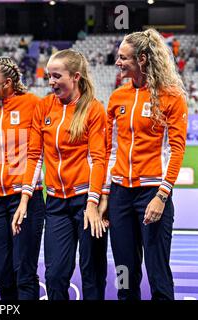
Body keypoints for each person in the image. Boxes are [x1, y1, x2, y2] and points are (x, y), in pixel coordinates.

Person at [12, 49, 108, 300]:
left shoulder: (94, 110)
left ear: (76, 77)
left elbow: (99, 160)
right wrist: (24, 201)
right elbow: (34, 157)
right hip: (55, 205)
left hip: (86, 202)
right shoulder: (43, 107)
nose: (51, 81)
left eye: (57, 76)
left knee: (92, 274)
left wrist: (93, 204)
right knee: (54, 275)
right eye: (48, 76)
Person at [100, 28, 188, 300]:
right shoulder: (117, 97)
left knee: (158, 271)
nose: (117, 62)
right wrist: (106, 193)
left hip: (153, 193)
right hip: (120, 195)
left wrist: (162, 195)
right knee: (125, 273)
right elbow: (109, 149)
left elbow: (176, 150)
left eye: (123, 58)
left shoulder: (171, 96)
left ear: (142, 59)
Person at [0, 56, 45, 300]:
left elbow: (37, 153)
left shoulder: (34, 105)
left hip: (26, 197)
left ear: (7, 83)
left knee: (24, 273)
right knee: (2, 273)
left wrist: (26, 197)